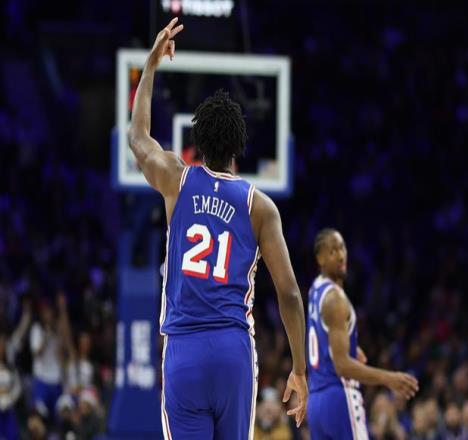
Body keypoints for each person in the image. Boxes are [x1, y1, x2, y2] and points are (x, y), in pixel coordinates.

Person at [128, 17, 307, 440]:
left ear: (197, 142)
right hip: (232, 350)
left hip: (184, 350)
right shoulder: (259, 206)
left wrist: (151, 65)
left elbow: (138, 138)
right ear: (238, 146)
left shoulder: (176, 179)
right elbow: (289, 293)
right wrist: (299, 369)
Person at [306, 228, 419, 439]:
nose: (341, 255)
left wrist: (350, 345)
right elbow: (342, 366)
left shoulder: (315, 290)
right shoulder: (336, 300)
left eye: (342, 248)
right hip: (340, 397)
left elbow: (321, 333)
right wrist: (389, 378)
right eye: (332, 251)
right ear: (320, 259)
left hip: (316, 403)